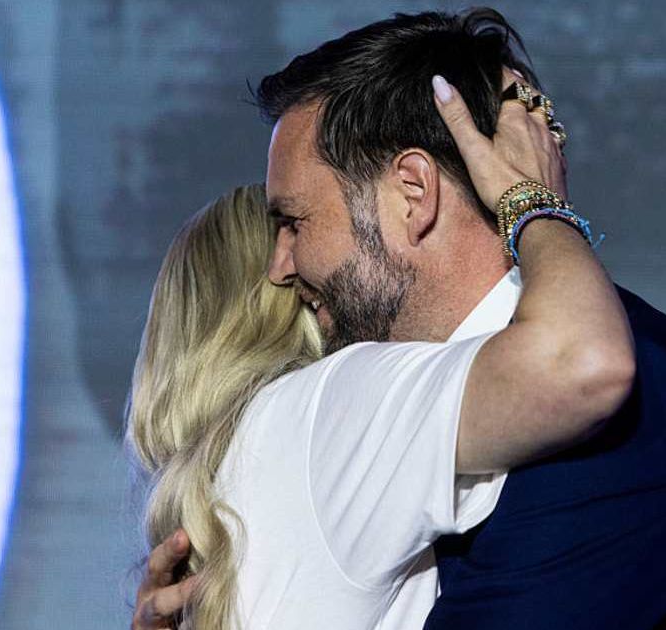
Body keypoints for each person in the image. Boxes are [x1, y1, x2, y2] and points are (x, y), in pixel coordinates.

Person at [137, 8, 666, 630]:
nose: (280, 266)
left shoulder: (628, 411)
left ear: (413, 194)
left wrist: (532, 205)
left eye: (294, 221)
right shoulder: (450, 410)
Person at [128, 66, 635, 628]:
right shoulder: (326, 408)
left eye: (295, 225)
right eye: (284, 226)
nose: (283, 265)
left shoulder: (233, 478)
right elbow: (579, 363)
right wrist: (531, 200)